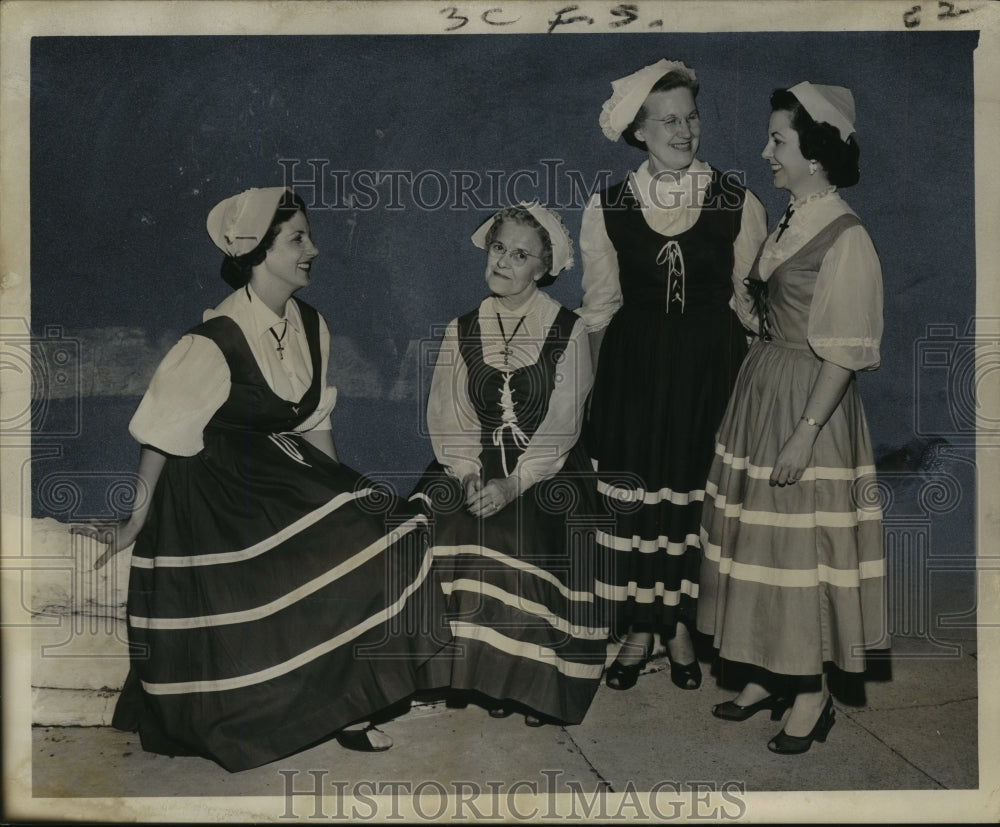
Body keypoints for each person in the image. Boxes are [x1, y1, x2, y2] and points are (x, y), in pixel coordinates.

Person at [72, 187, 450, 772]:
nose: (313, 249)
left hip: (277, 471)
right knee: (333, 549)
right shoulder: (214, 339)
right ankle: (323, 705)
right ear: (257, 251)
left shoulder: (311, 323)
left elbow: (315, 418)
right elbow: (160, 435)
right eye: (298, 238)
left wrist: (339, 489)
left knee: (385, 526)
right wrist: (137, 519)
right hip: (212, 491)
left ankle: (351, 695)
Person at [697, 83, 886, 754]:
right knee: (758, 540)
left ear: (816, 151)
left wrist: (805, 432)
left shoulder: (846, 234)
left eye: (778, 140)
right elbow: (769, 310)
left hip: (810, 401)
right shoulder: (791, 216)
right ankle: (771, 671)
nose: (765, 150)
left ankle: (812, 691)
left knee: (799, 547)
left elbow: (845, 350)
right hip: (763, 386)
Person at [580, 59, 768, 691]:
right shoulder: (607, 205)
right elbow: (601, 307)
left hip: (711, 370)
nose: (684, 131)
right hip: (635, 369)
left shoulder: (738, 201)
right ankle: (640, 626)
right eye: (668, 120)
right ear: (639, 131)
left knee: (694, 493)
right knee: (642, 495)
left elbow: (751, 307)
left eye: (691, 116)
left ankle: (683, 624)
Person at [412, 202, 610, 727]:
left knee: (518, 535)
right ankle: (454, 671)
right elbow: (447, 413)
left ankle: (520, 680)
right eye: (499, 248)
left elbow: (564, 424)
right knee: (443, 524)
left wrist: (513, 483)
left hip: (544, 469)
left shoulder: (568, 331)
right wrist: (469, 473)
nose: (503, 262)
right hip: (469, 463)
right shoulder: (462, 328)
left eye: (520, 255)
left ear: (542, 269)